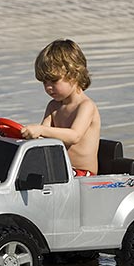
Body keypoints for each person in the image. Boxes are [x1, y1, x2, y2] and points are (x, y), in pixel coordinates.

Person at [21, 39, 101, 176]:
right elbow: (43, 138)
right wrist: (28, 134)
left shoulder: (86, 106)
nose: (48, 87)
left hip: (83, 174)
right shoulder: (53, 107)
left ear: (74, 75)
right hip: (62, 171)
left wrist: (40, 129)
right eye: (44, 82)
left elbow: (74, 136)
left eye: (53, 80)